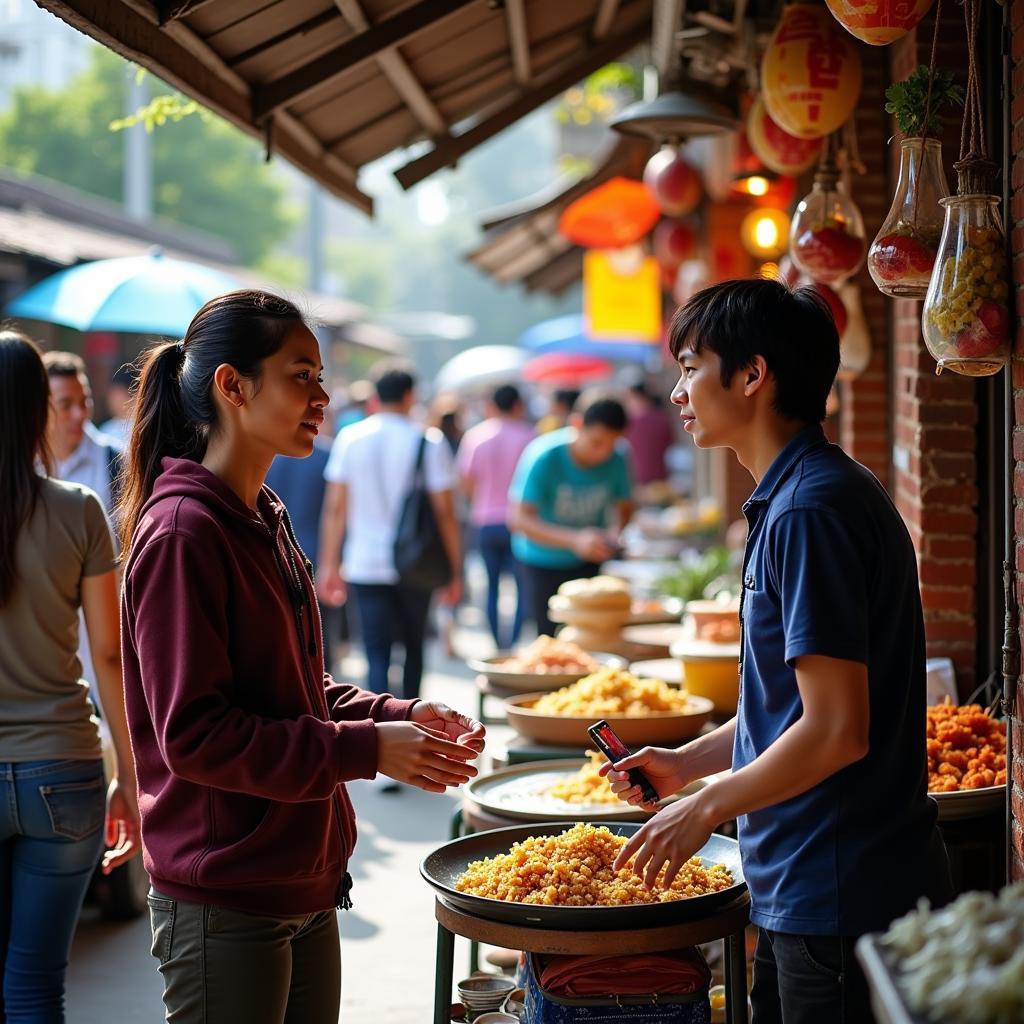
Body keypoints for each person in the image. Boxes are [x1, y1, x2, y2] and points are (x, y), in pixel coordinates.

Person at [115, 292, 484, 1023]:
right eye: (301, 375)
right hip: (226, 894)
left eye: (319, 377)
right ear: (232, 385)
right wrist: (370, 748)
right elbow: (198, 736)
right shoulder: (186, 533)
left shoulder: (262, 512)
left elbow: (290, 686)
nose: (321, 397)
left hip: (302, 877)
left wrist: (395, 713)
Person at [600, 279, 945, 1024]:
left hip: (840, 889)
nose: (678, 390)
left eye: (691, 366)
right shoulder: (797, 498)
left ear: (753, 374)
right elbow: (787, 709)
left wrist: (704, 808)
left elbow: (836, 731)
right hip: (809, 884)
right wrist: (688, 763)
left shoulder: (810, 512)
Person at [0, 330, 139, 1023]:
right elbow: (109, 655)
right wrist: (132, 781)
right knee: (34, 986)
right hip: (66, 771)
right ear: (39, 410)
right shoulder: (79, 507)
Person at [318, 366, 462, 700]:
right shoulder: (429, 440)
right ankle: (415, 718)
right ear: (410, 396)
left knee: (375, 651)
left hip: (364, 562)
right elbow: (445, 513)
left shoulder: (350, 438)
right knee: (414, 646)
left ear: (374, 397)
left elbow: (335, 509)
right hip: (417, 562)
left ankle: (382, 724)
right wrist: (454, 571)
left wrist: (328, 564)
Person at [508, 392, 633, 637]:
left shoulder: (617, 459)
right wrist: (574, 540)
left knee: (592, 637)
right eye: (597, 443)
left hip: (588, 563)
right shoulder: (544, 456)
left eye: (612, 444)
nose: (603, 454)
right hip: (541, 562)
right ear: (577, 424)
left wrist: (614, 533)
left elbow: (626, 507)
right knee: (550, 639)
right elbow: (518, 519)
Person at [458, 383, 535, 650]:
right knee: (520, 587)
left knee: (490, 586)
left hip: (484, 519)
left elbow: (466, 481)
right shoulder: (528, 435)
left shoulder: (476, 436)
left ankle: (497, 644)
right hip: (519, 521)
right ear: (517, 405)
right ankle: (512, 643)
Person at [265, 428, 342, 669]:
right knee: (319, 632)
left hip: (274, 549)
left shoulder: (268, 457)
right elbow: (334, 510)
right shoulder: (327, 454)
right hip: (315, 551)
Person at [43, 351, 124, 512]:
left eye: (84, 402)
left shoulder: (115, 463)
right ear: (41, 409)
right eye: (65, 405)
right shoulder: (22, 462)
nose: (80, 414)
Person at [624, 381, 675, 485]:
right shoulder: (663, 419)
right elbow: (671, 442)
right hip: (661, 477)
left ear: (636, 397)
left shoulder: (631, 423)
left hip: (637, 479)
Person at [99, 363, 137, 446]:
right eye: (110, 394)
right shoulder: (106, 430)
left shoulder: (143, 427)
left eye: (116, 394)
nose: (111, 399)